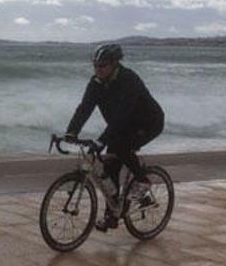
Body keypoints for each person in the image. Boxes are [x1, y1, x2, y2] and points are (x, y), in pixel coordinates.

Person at [65, 43, 165, 232]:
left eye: (102, 65)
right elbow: (84, 108)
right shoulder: (96, 83)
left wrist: (102, 140)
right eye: (95, 65)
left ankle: (143, 180)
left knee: (121, 148)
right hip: (122, 126)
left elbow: (122, 115)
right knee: (110, 170)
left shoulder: (129, 79)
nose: (98, 69)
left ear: (114, 64)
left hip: (149, 123)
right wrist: (71, 132)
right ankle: (113, 215)